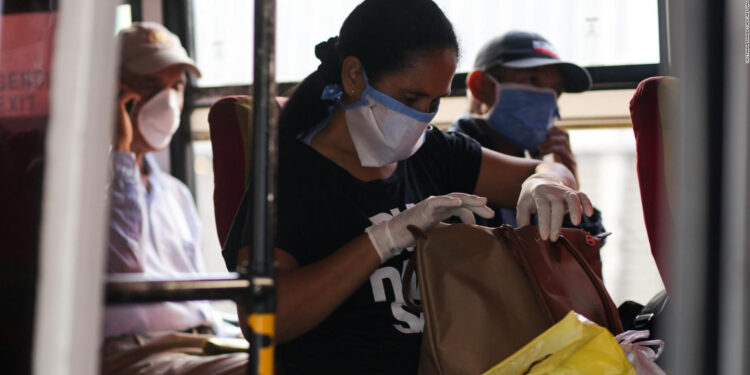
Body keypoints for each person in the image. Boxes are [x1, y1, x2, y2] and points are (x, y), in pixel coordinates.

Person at [223, 1, 595, 374]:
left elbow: (546, 169)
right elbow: (263, 319)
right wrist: (384, 239)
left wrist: (543, 181)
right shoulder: (292, 175)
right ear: (354, 75)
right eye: (410, 98)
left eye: (434, 102)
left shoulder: (432, 151)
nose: (420, 117)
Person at [102, 22, 246, 375]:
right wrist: (119, 152)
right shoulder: (78, 184)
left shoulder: (175, 192)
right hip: (135, 351)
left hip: (200, 341)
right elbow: (121, 270)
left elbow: (198, 300)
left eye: (176, 87)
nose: (168, 101)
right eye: (151, 86)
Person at [450, 31, 604, 232]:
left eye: (556, 91)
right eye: (533, 80)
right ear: (481, 86)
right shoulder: (449, 160)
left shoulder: (540, 172)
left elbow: (575, 257)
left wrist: (568, 192)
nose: (548, 101)